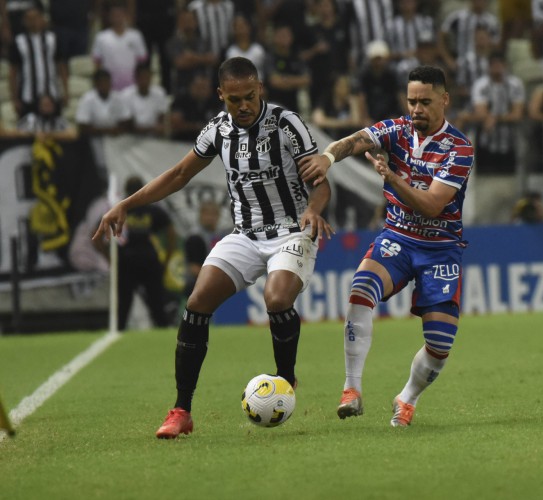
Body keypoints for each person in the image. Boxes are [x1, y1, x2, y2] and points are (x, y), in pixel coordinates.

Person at [93, 57, 333, 439]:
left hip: (292, 231)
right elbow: (178, 175)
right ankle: (181, 410)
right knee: (197, 301)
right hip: (244, 234)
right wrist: (126, 204)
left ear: (261, 90)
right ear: (221, 95)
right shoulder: (218, 131)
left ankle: (285, 379)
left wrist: (314, 211)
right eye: (234, 99)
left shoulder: (287, 124)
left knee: (276, 298)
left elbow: (321, 181)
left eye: (250, 97)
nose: (243, 106)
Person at [298, 65, 474, 427]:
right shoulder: (396, 130)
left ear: (445, 100)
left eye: (425, 101)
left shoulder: (459, 148)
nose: (416, 109)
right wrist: (328, 158)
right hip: (398, 237)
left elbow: (432, 204)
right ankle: (352, 389)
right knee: (361, 288)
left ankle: (406, 398)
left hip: (441, 247)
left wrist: (392, 177)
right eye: (411, 101)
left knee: (440, 345)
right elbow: (355, 140)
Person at [116, 175, 177, 331]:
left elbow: (98, 237)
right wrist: (166, 260)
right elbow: (171, 235)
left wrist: (110, 260)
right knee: (157, 305)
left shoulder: (121, 209)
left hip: (126, 262)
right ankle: (162, 333)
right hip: (148, 260)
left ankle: (118, 333)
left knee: (123, 306)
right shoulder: (152, 210)